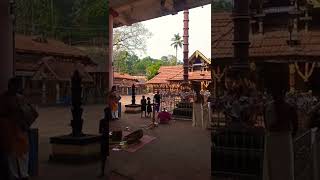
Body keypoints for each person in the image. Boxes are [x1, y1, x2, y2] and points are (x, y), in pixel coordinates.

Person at [263, 65, 298, 180]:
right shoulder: (289, 107)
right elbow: (295, 127)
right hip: (284, 137)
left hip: (275, 138)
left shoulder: (268, 107)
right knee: (284, 168)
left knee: (274, 168)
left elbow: (267, 125)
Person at [0, 77, 38, 180]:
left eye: (18, 86)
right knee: (11, 154)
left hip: (20, 128)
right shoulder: (4, 98)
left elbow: (31, 112)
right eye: (15, 85)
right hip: (9, 129)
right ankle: (15, 175)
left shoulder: (20, 98)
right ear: (10, 85)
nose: (16, 88)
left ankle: (24, 174)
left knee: (23, 153)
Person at [98, 106, 111, 178]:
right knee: (103, 158)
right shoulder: (103, 121)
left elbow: (100, 131)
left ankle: (103, 172)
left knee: (104, 158)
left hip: (105, 140)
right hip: (105, 141)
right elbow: (100, 131)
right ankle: (102, 172)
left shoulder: (102, 121)